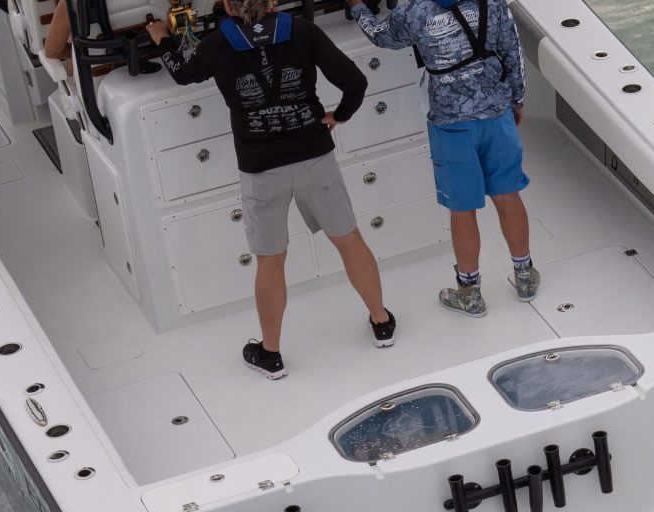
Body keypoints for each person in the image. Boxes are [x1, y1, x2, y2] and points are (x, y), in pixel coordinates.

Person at [147, 2, 396, 380]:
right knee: (349, 240)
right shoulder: (302, 30)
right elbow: (355, 83)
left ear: (226, 5)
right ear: (273, 3)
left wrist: (163, 39)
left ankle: (271, 355)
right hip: (314, 156)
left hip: (261, 169)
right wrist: (339, 115)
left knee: (270, 261)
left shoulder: (216, 43)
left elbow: (183, 73)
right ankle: (381, 323)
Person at [348, 0, 536, 316]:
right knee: (507, 195)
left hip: (451, 126)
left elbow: (381, 35)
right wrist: (516, 100)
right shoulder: (493, 3)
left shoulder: (414, 11)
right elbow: (513, 51)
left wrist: (357, 7)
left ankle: (470, 293)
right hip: (496, 115)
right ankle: (525, 277)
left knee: (462, 209)